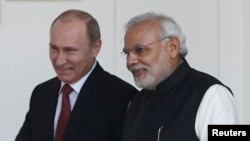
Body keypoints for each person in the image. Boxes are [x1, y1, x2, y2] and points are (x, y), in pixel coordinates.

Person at [15, 9, 138, 141]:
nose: (60, 60)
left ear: (95, 48)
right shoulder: (41, 93)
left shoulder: (123, 98)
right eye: (54, 49)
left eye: (70, 50)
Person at [121, 12, 239, 141]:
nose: (130, 61)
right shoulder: (136, 102)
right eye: (127, 53)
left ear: (172, 47)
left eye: (140, 50)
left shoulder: (214, 94)